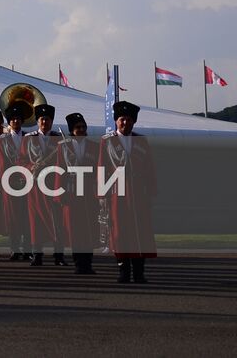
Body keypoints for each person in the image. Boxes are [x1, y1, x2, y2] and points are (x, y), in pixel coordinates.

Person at [99, 100, 156, 283]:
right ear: (116, 121)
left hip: (138, 193)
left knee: (140, 232)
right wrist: (102, 194)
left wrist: (151, 190)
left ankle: (139, 272)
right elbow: (102, 169)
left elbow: (149, 168)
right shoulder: (107, 141)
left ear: (134, 121)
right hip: (117, 193)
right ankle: (123, 271)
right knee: (120, 232)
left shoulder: (141, 141)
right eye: (122, 119)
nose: (125, 122)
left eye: (129, 119)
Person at [23, 103, 65, 266]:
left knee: (57, 220)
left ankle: (59, 255)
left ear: (51, 121)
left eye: (47, 119)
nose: (44, 122)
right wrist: (31, 167)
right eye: (41, 119)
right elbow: (20, 160)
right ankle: (37, 254)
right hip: (35, 186)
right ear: (37, 121)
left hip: (54, 184)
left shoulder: (59, 138)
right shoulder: (28, 138)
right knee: (35, 221)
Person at [58, 113, 98, 274]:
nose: (81, 129)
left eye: (83, 127)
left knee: (89, 228)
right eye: (77, 127)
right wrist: (59, 193)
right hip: (71, 192)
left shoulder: (94, 146)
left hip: (88, 192)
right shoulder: (63, 147)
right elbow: (59, 170)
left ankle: (88, 263)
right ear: (71, 130)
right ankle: (78, 263)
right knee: (75, 229)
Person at [0, 101, 32, 261]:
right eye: (13, 119)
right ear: (9, 122)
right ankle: (15, 248)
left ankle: (27, 248)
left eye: (18, 119)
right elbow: (2, 162)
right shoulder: (2, 140)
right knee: (13, 216)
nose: (16, 121)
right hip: (10, 183)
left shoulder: (29, 137)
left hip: (28, 182)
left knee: (27, 216)